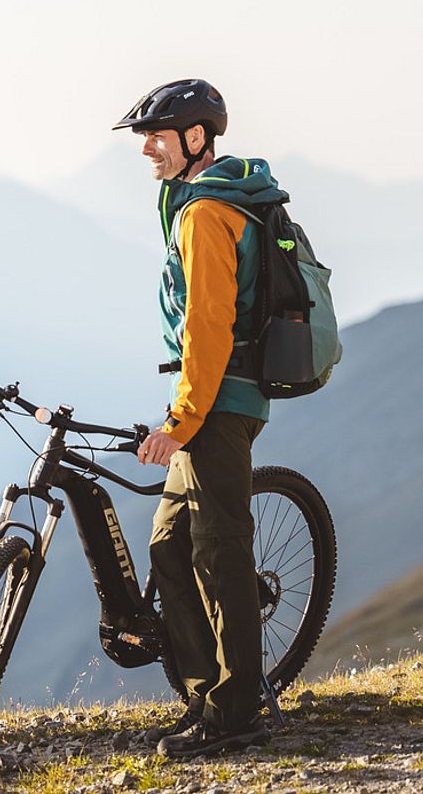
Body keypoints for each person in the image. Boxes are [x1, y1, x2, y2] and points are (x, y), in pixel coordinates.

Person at [115, 79, 284, 760]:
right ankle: (208, 697)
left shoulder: (206, 213)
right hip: (210, 400)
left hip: (218, 404)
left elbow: (208, 325)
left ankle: (237, 712)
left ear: (195, 138)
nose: (147, 150)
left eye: (156, 136)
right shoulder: (197, 204)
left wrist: (181, 420)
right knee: (170, 547)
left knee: (219, 551)